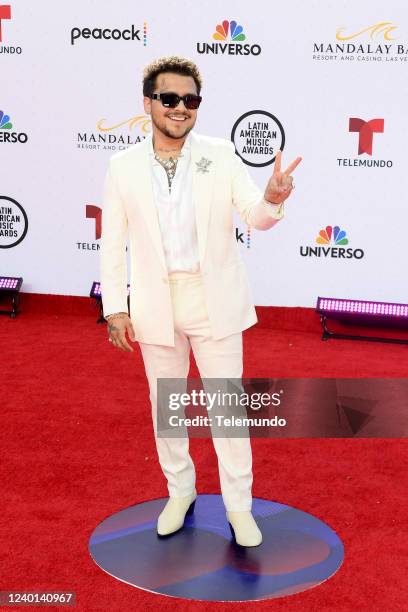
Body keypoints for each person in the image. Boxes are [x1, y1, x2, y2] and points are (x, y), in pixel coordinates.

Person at [100, 56, 301, 547]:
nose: (180, 108)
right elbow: (113, 241)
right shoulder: (121, 166)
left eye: (190, 100)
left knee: (227, 409)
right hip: (154, 303)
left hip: (214, 301)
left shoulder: (222, 154)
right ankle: (180, 490)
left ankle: (239, 506)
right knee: (166, 407)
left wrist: (274, 197)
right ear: (148, 103)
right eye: (169, 98)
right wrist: (115, 306)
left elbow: (255, 214)